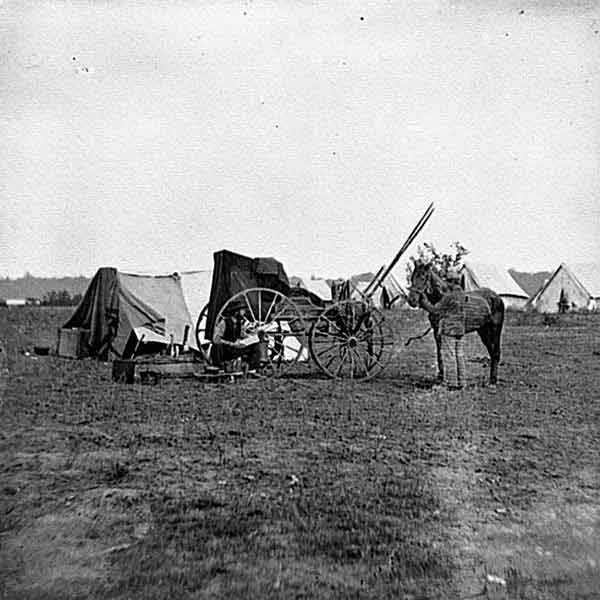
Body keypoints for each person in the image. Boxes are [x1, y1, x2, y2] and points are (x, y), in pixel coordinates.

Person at [419, 268, 467, 390]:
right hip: (460, 330)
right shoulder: (462, 294)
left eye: (447, 281)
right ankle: (461, 382)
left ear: (451, 282)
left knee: (449, 356)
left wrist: (423, 301)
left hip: (449, 329)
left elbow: (435, 309)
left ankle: (449, 383)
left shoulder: (449, 296)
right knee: (459, 356)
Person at [209, 305, 263, 370]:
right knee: (216, 347)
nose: (244, 313)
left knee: (255, 346)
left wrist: (252, 338)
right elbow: (216, 339)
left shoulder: (239, 323)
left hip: (236, 349)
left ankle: (252, 369)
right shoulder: (224, 323)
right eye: (242, 311)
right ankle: (219, 367)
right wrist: (231, 344)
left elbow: (243, 334)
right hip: (227, 349)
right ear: (236, 312)